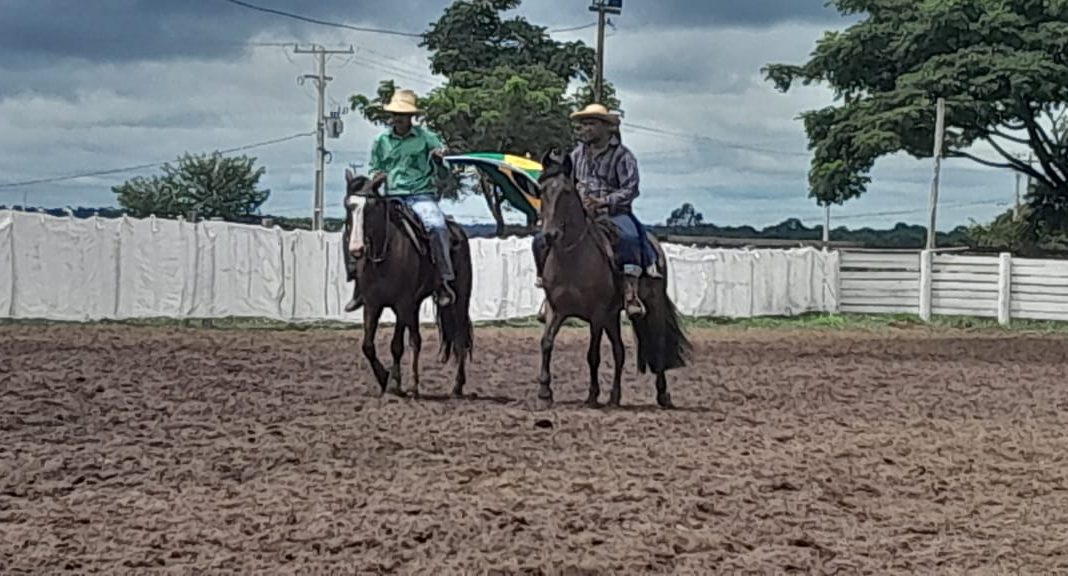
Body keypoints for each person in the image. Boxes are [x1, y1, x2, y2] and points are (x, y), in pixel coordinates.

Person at [533, 103, 660, 320]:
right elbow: (568, 184)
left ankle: (630, 292)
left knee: (629, 237)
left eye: (591, 124)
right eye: (583, 125)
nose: (585, 129)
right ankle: (549, 291)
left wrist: (603, 201)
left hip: (615, 213)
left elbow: (630, 189)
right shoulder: (576, 156)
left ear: (606, 127)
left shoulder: (622, 156)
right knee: (541, 240)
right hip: (583, 215)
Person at [344, 88, 455, 311]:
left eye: (403, 115)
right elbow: (375, 167)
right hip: (390, 196)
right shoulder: (381, 141)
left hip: (421, 196)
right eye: (395, 114)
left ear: (411, 117)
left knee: (437, 226)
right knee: (354, 227)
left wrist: (439, 161)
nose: (398, 119)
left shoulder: (427, 138)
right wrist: (376, 177)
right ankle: (357, 280)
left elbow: (445, 173)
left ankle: (443, 280)